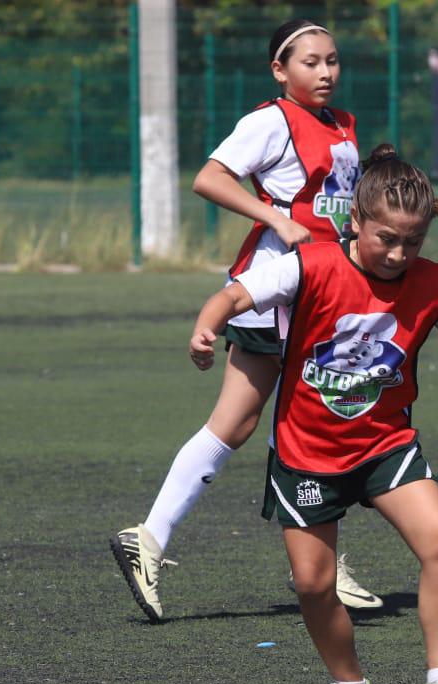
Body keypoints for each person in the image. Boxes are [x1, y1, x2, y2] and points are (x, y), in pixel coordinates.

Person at [188, 144, 438, 684]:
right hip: (306, 452)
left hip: (385, 443)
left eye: (412, 242)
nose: (398, 253)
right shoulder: (308, 265)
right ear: (355, 221)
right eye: (386, 238)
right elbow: (236, 294)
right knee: (313, 584)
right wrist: (207, 327)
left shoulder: (430, 281)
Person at [110, 19, 381, 622]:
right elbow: (209, 177)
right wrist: (274, 217)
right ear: (280, 70)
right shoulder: (271, 120)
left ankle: (317, 563)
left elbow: (337, 205)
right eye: (310, 62)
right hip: (277, 286)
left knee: (303, 421)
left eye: (332, 60)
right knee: (249, 423)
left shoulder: (342, 126)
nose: (326, 72)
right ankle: (151, 539)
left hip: (323, 288)